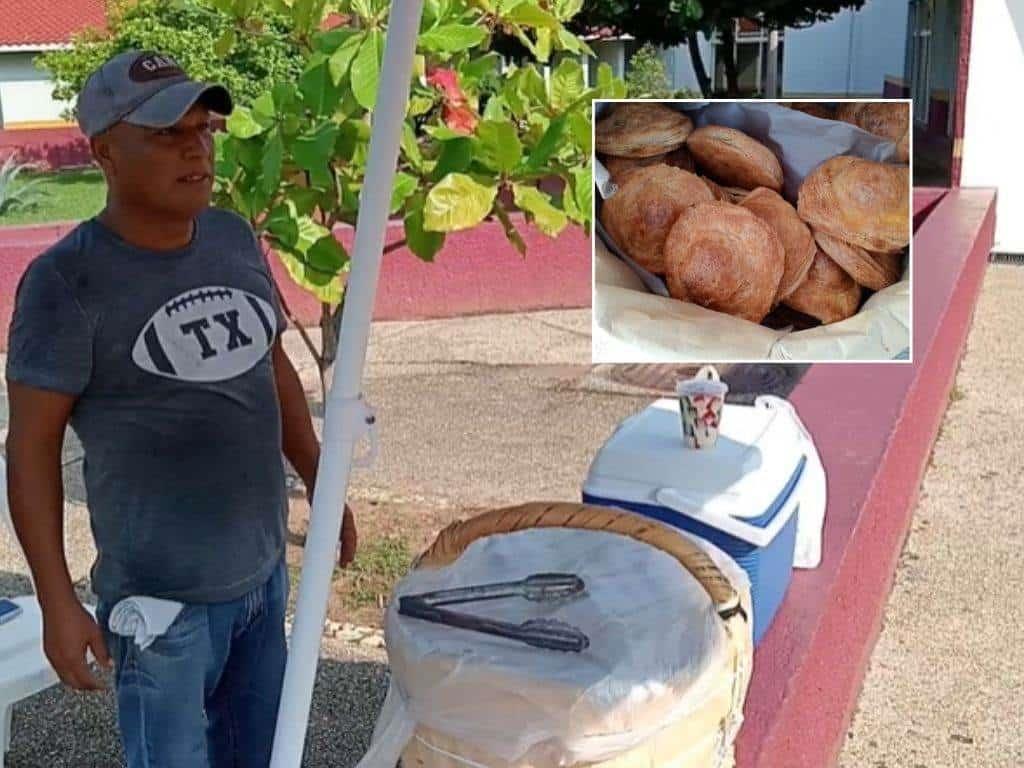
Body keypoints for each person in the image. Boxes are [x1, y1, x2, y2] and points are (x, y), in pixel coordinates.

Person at [4, 49, 357, 767]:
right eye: (167, 132)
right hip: (160, 610)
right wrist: (57, 600)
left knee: (261, 755)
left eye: (204, 128)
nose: (197, 146)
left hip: (262, 579)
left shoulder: (230, 237)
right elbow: (30, 449)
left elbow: (270, 365)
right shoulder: (65, 284)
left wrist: (319, 475)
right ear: (104, 151)